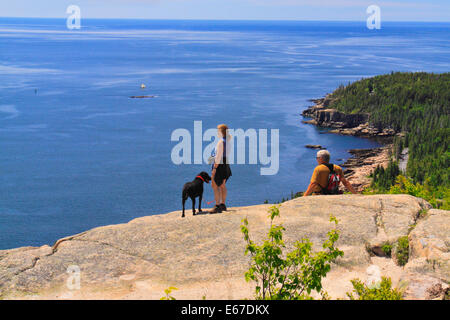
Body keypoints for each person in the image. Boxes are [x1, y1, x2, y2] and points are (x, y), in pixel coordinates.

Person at [209, 124, 232, 213]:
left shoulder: (221, 142)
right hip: (226, 164)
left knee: (214, 185)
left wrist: (214, 168)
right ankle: (223, 205)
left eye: (218, 130)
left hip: (219, 165)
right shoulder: (228, 141)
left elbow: (218, 157)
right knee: (222, 185)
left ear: (220, 132)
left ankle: (217, 206)